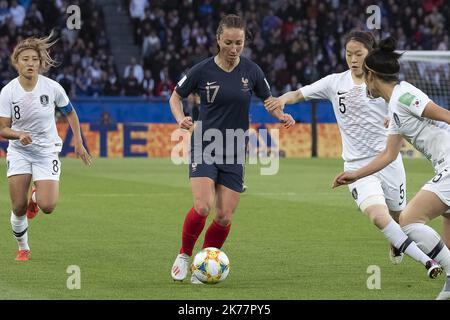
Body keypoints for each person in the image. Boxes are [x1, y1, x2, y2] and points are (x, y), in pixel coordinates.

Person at [264, 31, 442, 277]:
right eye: (349, 54)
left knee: (401, 219)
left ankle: (398, 241)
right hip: (358, 166)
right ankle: (429, 262)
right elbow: (299, 93)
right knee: (379, 217)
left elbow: (405, 107)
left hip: (388, 162)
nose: (353, 59)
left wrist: (394, 117)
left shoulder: (381, 85)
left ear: (370, 55)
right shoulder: (335, 83)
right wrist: (282, 100)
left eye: (359, 54)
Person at [169, 14, 295, 284]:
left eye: (239, 42)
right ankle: (184, 254)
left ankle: (204, 265)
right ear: (218, 40)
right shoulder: (201, 71)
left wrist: (282, 114)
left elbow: (269, 101)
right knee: (203, 207)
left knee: (224, 216)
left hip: (236, 149)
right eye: (228, 42)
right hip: (205, 144)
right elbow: (175, 97)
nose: (234, 48)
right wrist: (180, 118)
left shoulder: (252, 71)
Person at [333, 37, 450, 300]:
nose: (363, 84)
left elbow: (445, 114)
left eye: (365, 77)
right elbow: (388, 155)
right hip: (443, 165)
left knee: (407, 221)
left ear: (371, 75)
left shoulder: (406, 95)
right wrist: (355, 174)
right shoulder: (394, 106)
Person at [0, 32, 92, 261]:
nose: (30, 63)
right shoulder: (8, 91)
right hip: (19, 150)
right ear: (16, 62)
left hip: (46, 151)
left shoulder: (52, 88)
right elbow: (2, 128)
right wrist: (18, 134)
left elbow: (70, 113)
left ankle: (36, 198)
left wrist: (79, 143)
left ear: (40, 63)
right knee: (18, 206)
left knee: (48, 205)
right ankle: (23, 248)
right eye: (25, 59)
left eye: (34, 59)